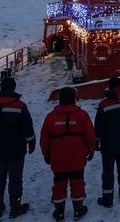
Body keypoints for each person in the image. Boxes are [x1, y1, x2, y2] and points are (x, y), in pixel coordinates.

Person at [40, 86, 96, 221]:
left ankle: (59, 212)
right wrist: (91, 150)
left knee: (59, 185)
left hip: (58, 159)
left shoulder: (50, 117)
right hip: (77, 158)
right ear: (74, 99)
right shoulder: (82, 115)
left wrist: (46, 155)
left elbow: (44, 140)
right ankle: (78, 210)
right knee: (78, 184)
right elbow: (90, 136)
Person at [0, 77, 36, 217]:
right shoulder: (19, 106)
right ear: (13, 88)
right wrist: (31, 143)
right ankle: (16, 206)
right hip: (16, 149)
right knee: (15, 178)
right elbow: (27, 127)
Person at [94, 76, 120, 208]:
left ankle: (107, 200)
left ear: (109, 87)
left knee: (108, 172)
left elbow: (98, 126)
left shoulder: (104, 105)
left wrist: (96, 142)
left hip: (108, 145)